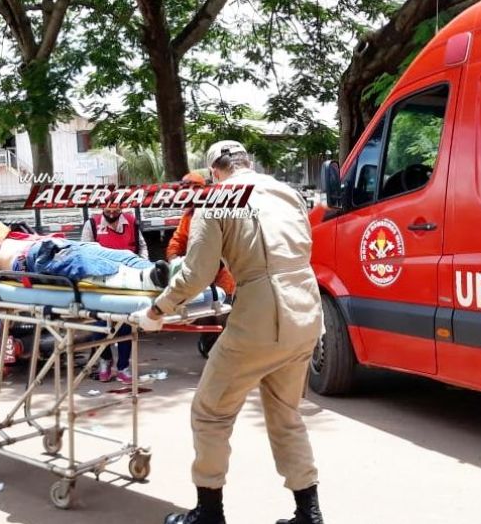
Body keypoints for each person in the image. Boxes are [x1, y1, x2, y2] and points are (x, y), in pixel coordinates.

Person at [134, 141, 325, 524]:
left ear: (215, 172)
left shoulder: (216, 200)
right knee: (286, 416)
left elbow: (195, 273)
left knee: (210, 412)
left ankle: (208, 514)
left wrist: (157, 311)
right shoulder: (287, 192)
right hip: (306, 310)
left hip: (261, 314)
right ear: (247, 164)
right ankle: (310, 514)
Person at [166, 171, 236, 358]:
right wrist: (175, 261)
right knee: (206, 312)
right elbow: (177, 241)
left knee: (223, 312)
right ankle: (209, 348)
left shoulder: (218, 211)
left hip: (222, 272)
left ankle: (222, 352)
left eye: (192, 189)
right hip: (201, 272)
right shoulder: (188, 216)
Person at [80, 206, 149, 383]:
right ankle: (105, 360)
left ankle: (123, 366)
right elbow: (84, 252)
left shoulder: (131, 222)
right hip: (100, 282)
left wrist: (142, 266)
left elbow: (142, 247)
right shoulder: (92, 224)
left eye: (115, 207)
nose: (111, 211)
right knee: (100, 325)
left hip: (127, 281)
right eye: (108, 207)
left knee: (125, 325)